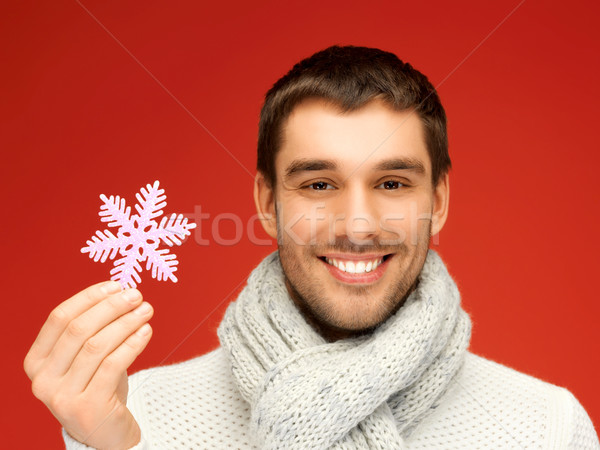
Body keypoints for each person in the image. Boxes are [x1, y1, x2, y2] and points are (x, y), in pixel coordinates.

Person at [24, 45, 599, 449]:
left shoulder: (547, 428)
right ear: (268, 202)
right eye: (319, 185)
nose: (356, 224)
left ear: (439, 201)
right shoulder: (136, 420)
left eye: (393, 183)